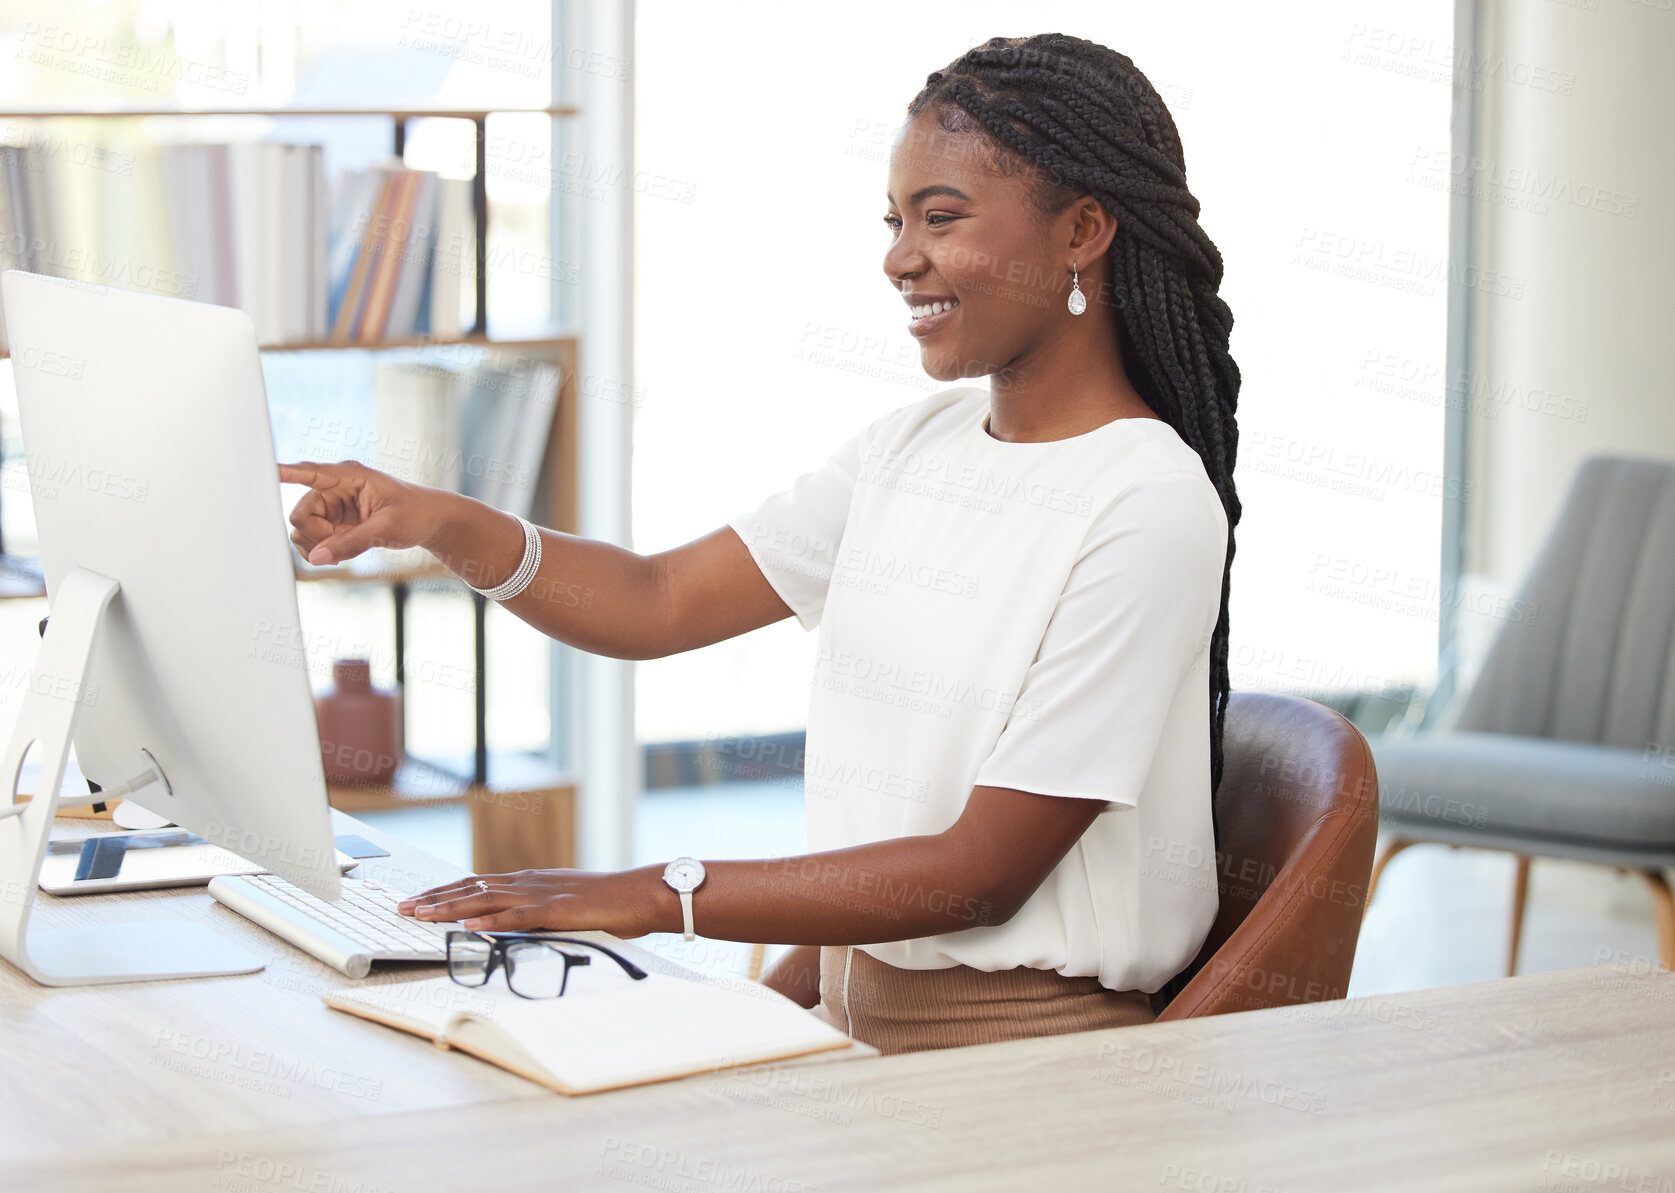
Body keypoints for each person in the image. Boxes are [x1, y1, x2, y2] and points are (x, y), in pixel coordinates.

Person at [278, 33, 1242, 1055]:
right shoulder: (908, 448)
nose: (898, 255)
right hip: (858, 1029)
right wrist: (436, 519)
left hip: (1031, 1070)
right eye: (895, 219)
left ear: (1082, 230)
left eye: (940, 217)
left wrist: (653, 894)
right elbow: (656, 600)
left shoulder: (1146, 503)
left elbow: (980, 871)